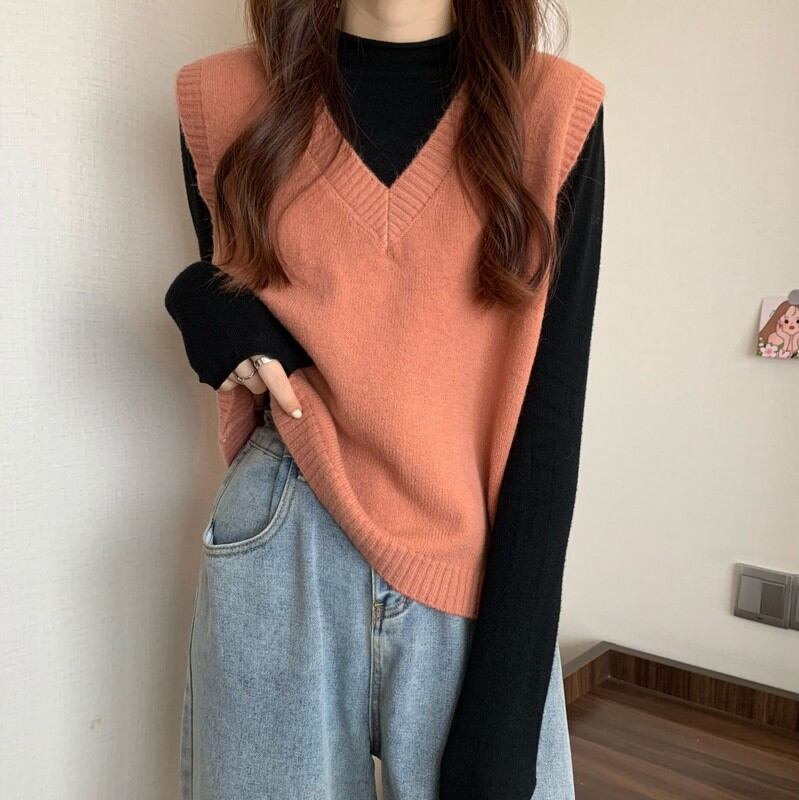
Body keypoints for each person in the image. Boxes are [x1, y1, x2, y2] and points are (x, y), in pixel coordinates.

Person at [164, 2, 605, 798]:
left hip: (473, 569)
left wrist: (506, 709)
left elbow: (547, 423)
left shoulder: (552, 109)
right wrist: (201, 298)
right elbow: (245, 295)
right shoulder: (221, 98)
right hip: (282, 539)